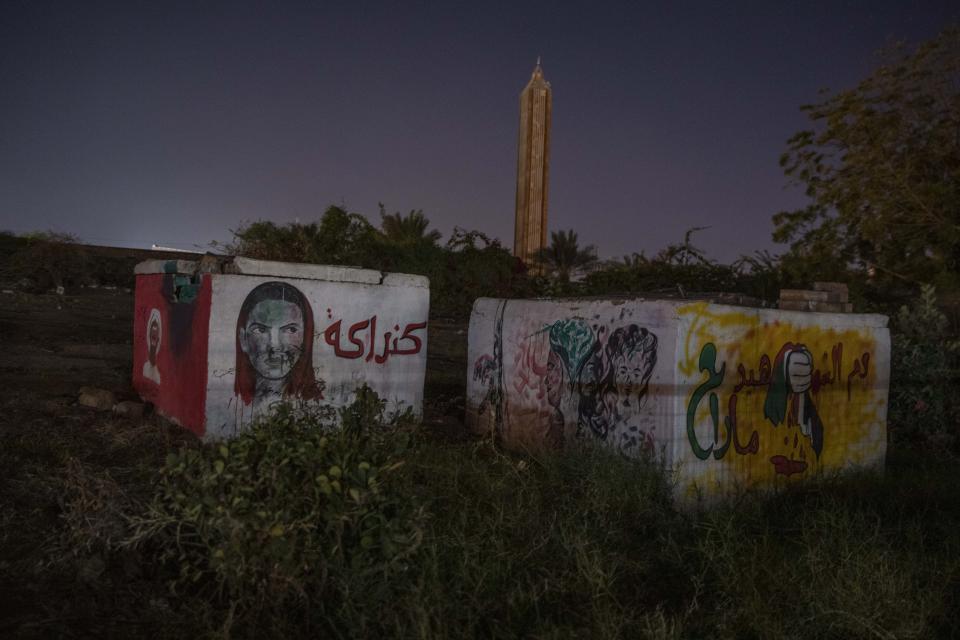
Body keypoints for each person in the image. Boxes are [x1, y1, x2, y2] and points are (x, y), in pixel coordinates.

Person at [234, 281, 322, 410]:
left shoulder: (315, 409)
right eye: (261, 330)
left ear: (305, 338)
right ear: (243, 339)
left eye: (290, 330)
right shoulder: (235, 406)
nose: (275, 345)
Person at [141, 308, 162, 384]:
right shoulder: (145, 368)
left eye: (156, 328)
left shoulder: (158, 374)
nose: (154, 330)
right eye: (153, 326)